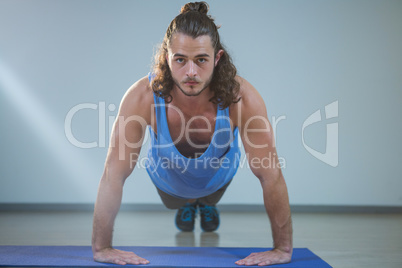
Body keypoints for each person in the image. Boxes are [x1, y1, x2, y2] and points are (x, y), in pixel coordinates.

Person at [92, 1, 293, 266]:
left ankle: (202, 203)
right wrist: (102, 246)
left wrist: (283, 248)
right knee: (179, 202)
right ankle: (190, 204)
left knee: (206, 196)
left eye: (201, 60)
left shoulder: (241, 98)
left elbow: (271, 175)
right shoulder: (142, 97)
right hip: (169, 182)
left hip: (216, 179)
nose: (191, 72)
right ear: (167, 57)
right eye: (180, 60)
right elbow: (113, 173)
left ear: (217, 58)